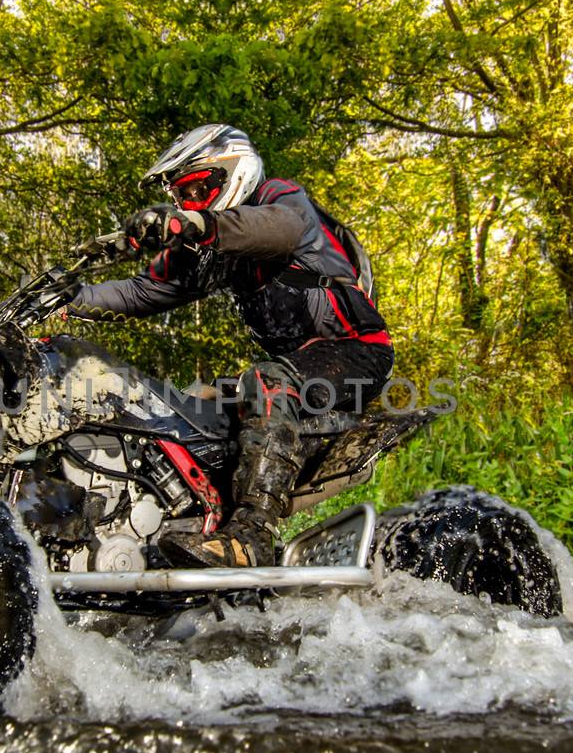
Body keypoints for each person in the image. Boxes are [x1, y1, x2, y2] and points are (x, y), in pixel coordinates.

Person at [68, 124, 393, 568]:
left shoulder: (279, 199)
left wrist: (189, 222)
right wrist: (71, 298)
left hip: (357, 353)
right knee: (183, 403)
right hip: (299, 366)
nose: (192, 202)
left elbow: (278, 230)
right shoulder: (212, 248)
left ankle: (251, 535)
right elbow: (142, 292)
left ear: (234, 171)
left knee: (266, 380)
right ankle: (183, 524)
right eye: (185, 196)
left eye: (199, 188)